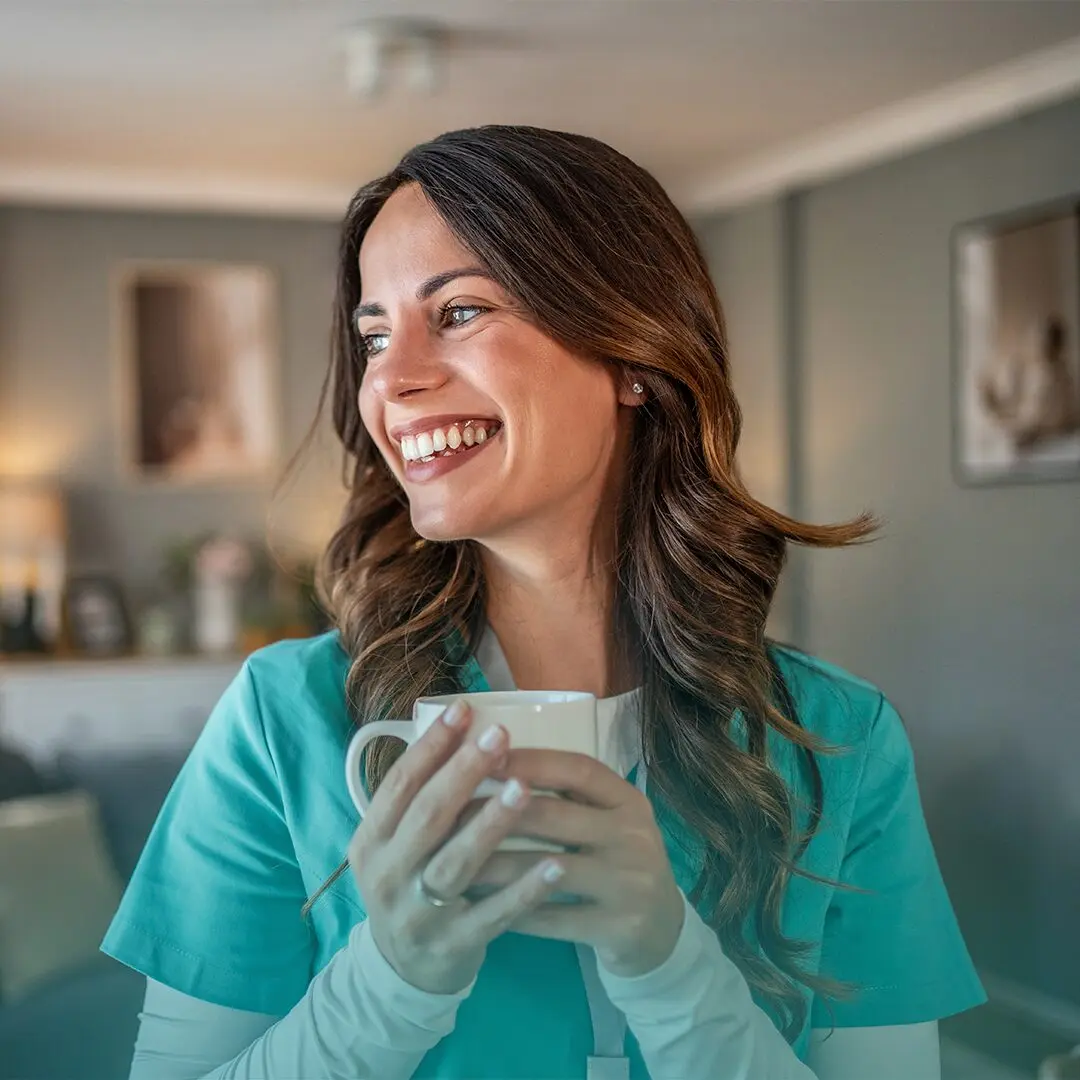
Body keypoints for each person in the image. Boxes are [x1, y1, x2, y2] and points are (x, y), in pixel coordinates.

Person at [102, 126, 986, 1080]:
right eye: (373, 335)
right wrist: (391, 981)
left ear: (633, 352)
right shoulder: (284, 725)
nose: (391, 382)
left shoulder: (838, 743)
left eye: (461, 311)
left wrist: (669, 961)